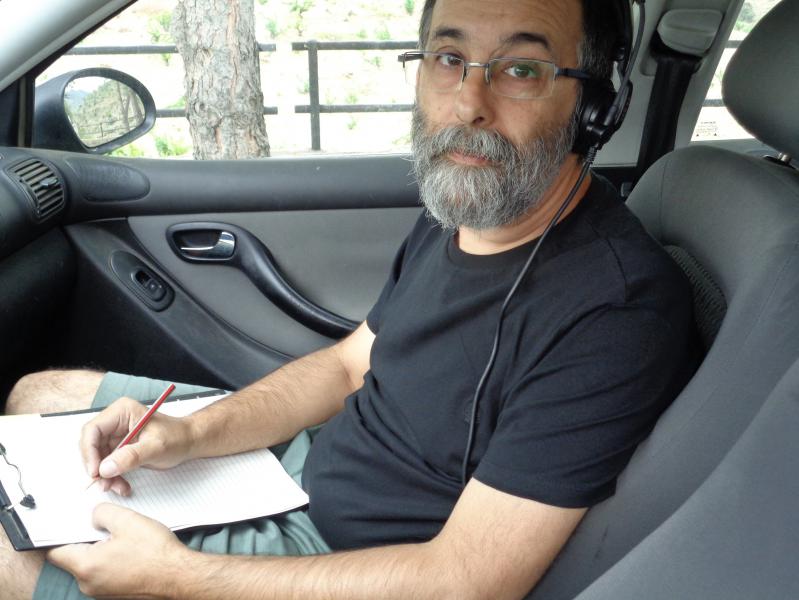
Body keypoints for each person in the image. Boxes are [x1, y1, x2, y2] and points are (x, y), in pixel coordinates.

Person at [1, 0, 697, 598]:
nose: (467, 105)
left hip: (342, 558)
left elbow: (464, 580)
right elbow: (345, 367)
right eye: (448, 58)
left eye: (520, 69)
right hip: (301, 466)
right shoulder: (464, 211)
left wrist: (177, 576)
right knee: (42, 395)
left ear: (594, 107)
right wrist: (191, 434)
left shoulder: (616, 312)